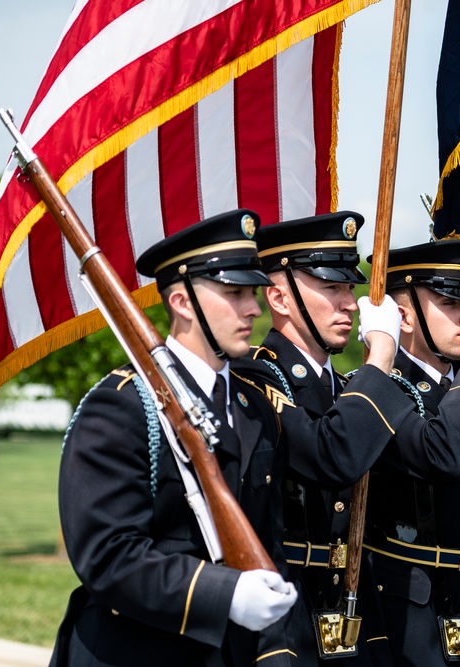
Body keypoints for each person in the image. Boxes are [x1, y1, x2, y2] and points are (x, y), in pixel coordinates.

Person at [51, 209, 298, 667]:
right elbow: (107, 554)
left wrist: (276, 650)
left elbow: (269, 545)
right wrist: (224, 594)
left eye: (254, 293)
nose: (254, 308)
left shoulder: (255, 406)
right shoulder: (122, 405)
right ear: (182, 303)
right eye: (234, 293)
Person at [231, 211, 417, 665]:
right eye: (332, 288)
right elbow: (330, 455)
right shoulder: (254, 377)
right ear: (278, 296)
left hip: (350, 612)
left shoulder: (344, 386)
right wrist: (382, 358)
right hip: (283, 613)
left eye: (349, 289)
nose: (350, 304)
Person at [362, 239, 460, 666]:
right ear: (403, 316)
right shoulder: (378, 389)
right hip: (406, 614)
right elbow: (442, 454)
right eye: (450, 301)